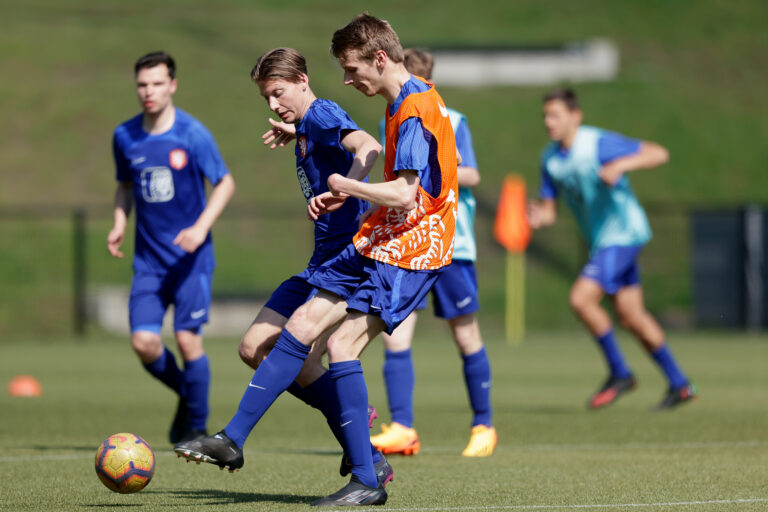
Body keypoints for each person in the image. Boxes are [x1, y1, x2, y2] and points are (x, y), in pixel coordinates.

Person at [177, 13, 458, 506]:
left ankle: (364, 475)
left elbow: (406, 194)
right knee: (305, 331)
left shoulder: (411, 110)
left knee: (338, 344)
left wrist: (346, 185)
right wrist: (303, 131)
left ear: (378, 58)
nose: (348, 81)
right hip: (382, 239)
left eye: (352, 69)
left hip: (411, 247)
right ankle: (239, 440)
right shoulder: (404, 100)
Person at [174, 47, 392, 488]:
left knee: (296, 345)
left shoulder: (324, 112)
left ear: (301, 80)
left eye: (278, 93)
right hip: (319, 263)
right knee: (253, 347)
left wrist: (348, 187)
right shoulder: (309, 124)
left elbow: (368, 145)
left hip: (348, 260)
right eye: (266, 99)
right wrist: (298, 133)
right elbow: (322, 136)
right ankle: (357, 433)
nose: (274, 105)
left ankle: (232, 439)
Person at [527, 88, 697, 411]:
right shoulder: (549, 159)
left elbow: (659, 153)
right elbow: (549, 211)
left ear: (575, 117)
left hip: (625, 234)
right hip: (603, 241)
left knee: (581, 299)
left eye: (555, 115)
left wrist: (621, 166)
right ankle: (680, 384)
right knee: (632, 316)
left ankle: (620, 373)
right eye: (545, 116)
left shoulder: (597, 144)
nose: (549, 122)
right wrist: (539, 217)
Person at [369, 48, 496, 458]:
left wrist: (446, 161)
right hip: (408, 243)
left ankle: (483, 425)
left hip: (452, 246)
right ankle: (403, 427)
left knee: (465, 334)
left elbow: (473, 173)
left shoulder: (450, 118)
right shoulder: (394, 114)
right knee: (395, 334)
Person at [108, 51, 236, 443]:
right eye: (143, 85)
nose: (149, 91)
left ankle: (196, 427)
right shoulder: (125, 135)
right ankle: (189, 393)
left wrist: (200, 228)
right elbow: (126, 186)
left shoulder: (192, 134)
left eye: (157, 83)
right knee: (144, 342)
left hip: (191, 260)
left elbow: (225, 183)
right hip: (149, 261)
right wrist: (119, 221)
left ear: (172, 85)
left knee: (186, 339)